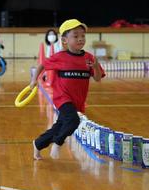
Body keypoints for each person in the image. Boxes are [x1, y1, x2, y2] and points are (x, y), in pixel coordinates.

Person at [30, 19, 105, 160]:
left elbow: (97, 78)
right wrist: (34, 80)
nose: (80, 39)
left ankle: (38, 144)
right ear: (64, 40)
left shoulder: (89, 58)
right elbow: (42, 65)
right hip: (62, 98)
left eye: (82, 36)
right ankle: (58, 143)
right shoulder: (60, 57)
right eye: (75, 36)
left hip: (77, 100)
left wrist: (95, 66)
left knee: (59, 126)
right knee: (74, 121)